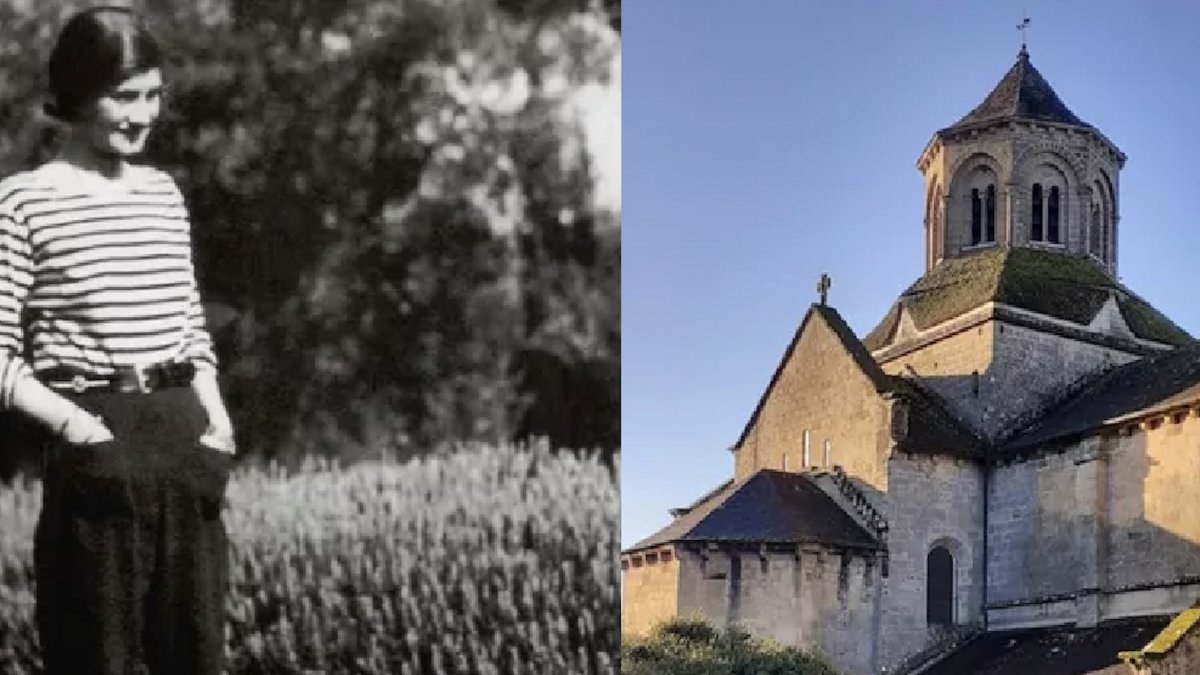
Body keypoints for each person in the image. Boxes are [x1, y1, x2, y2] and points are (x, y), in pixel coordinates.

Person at [0, 7, 236, 675]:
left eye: (153, 94)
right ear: (74, 94)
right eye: (124, 96)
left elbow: (191, 324)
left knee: (196, 655)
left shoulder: (162, 194)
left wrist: (215, 423)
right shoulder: (23, 202)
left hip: (184, 438)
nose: (143, 113)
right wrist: (76, 426)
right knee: (94, 657)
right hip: (96, 437)